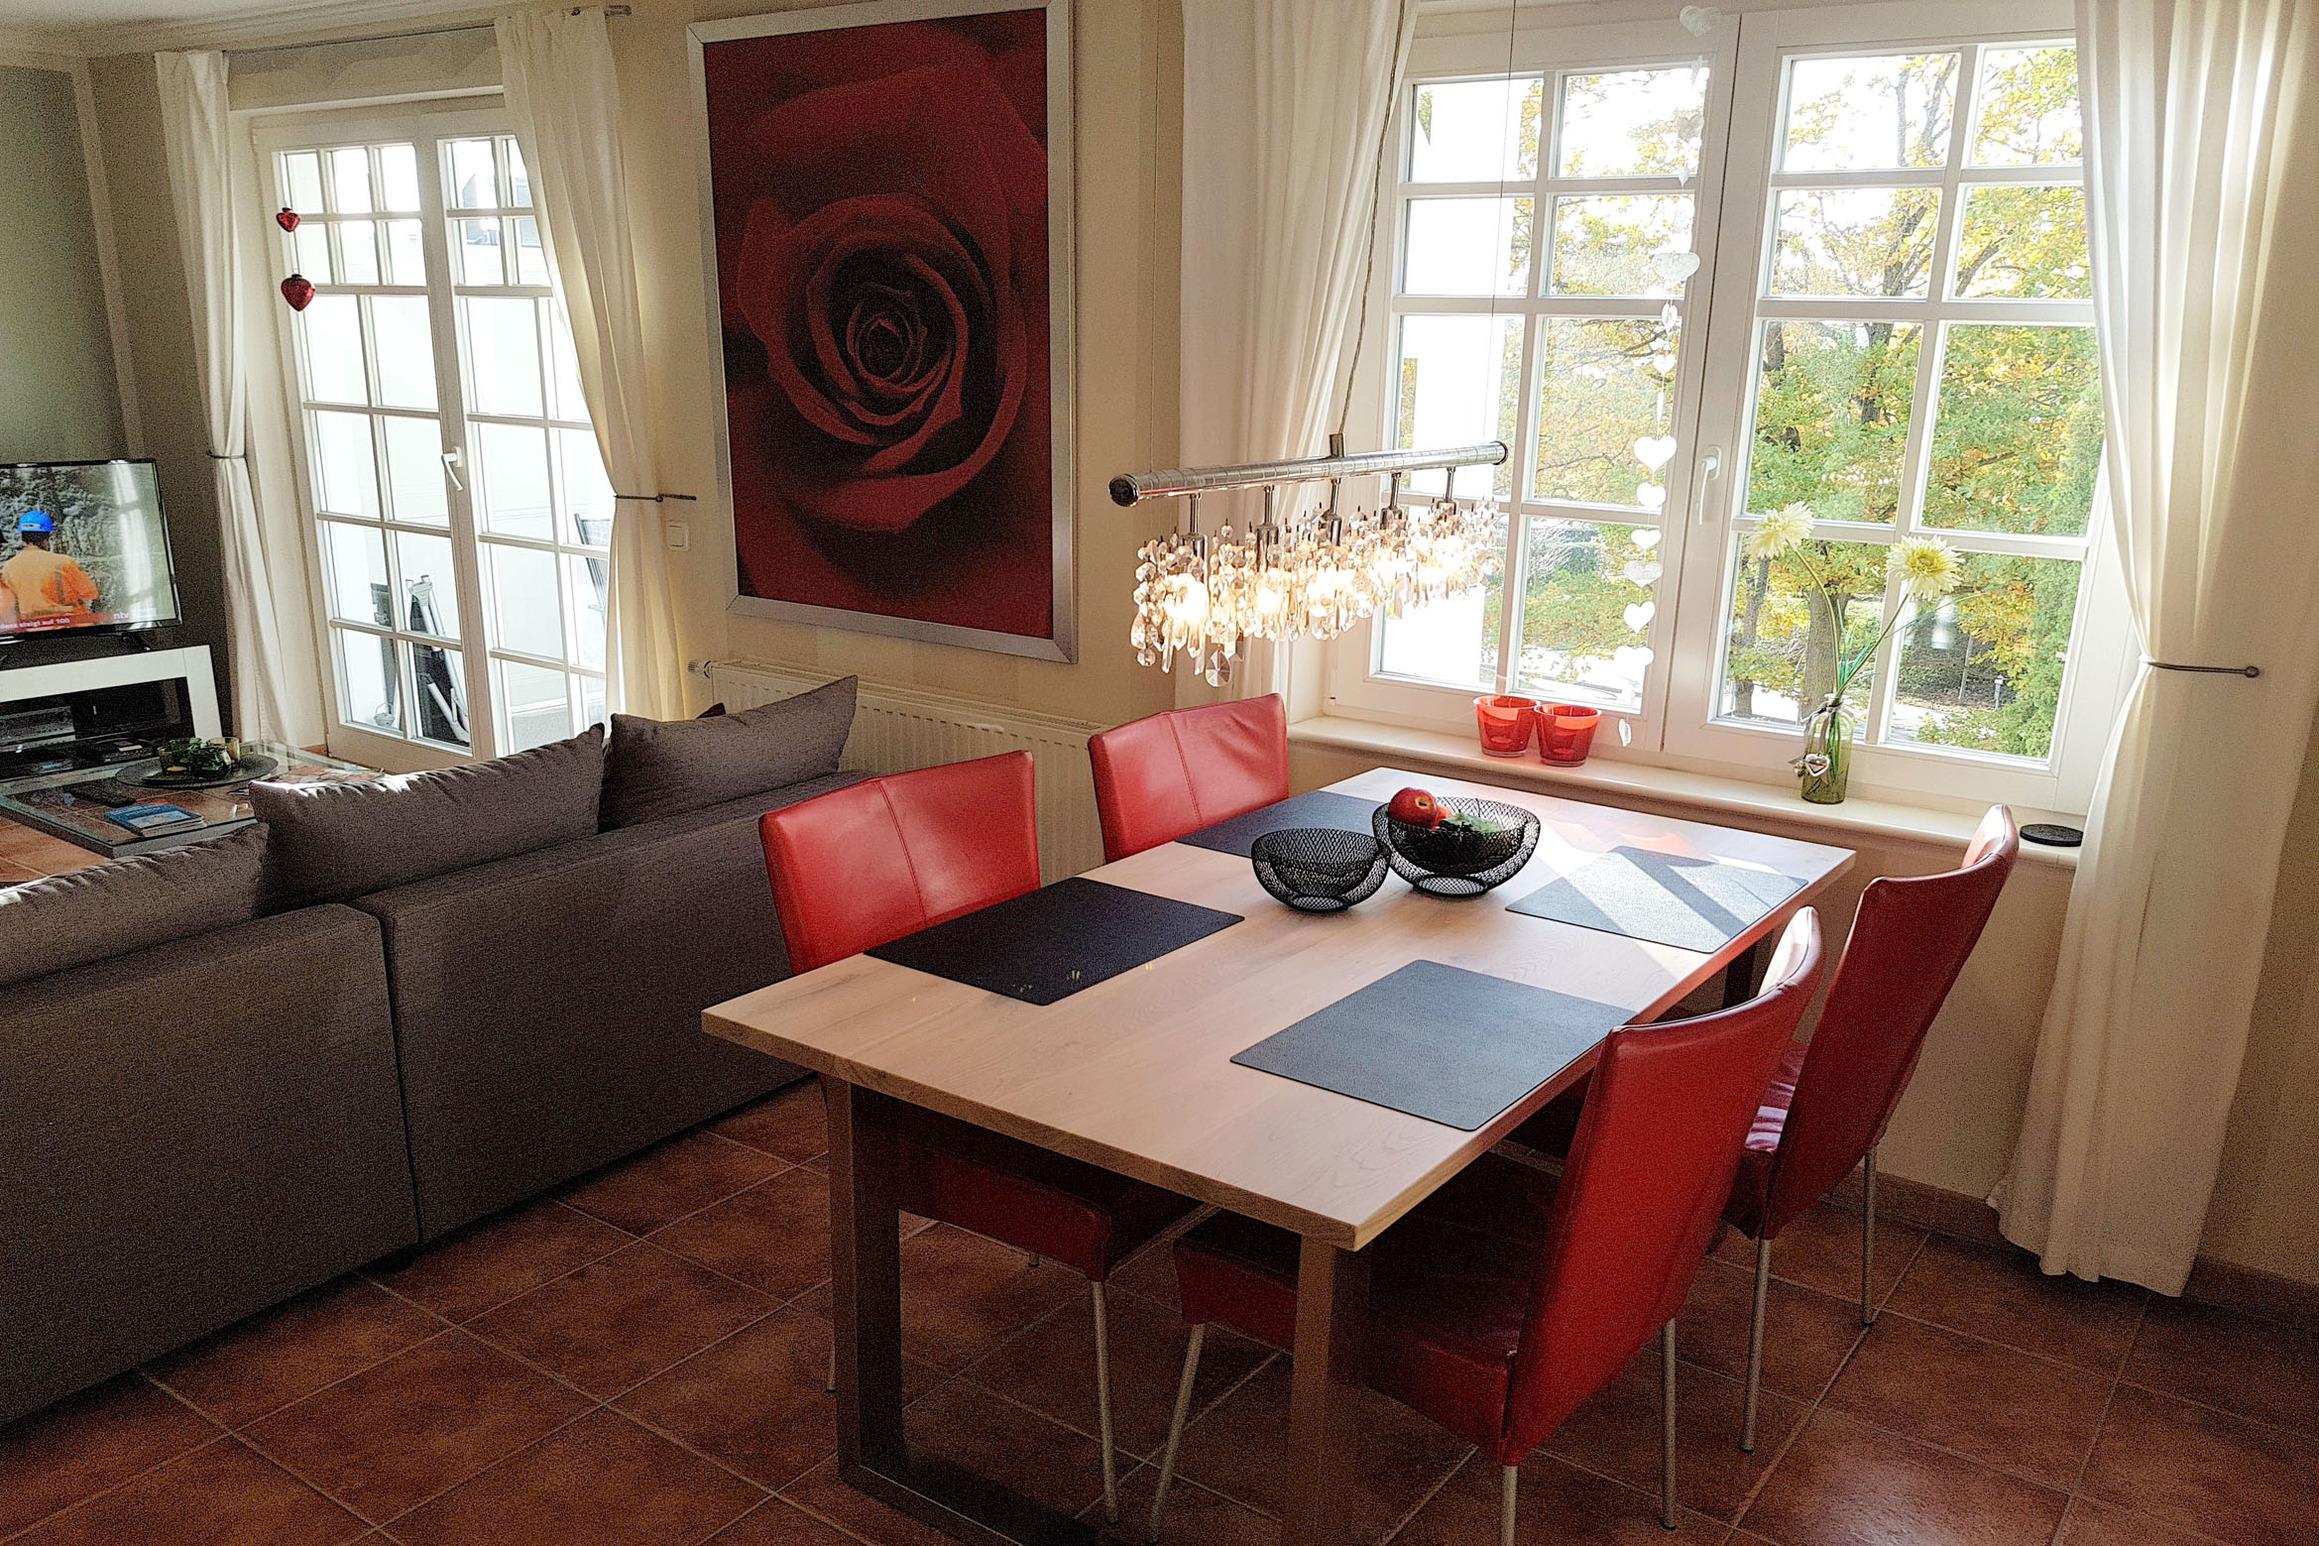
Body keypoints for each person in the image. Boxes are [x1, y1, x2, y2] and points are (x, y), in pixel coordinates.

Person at [1, 510, 100, 624]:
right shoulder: (64, 562)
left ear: (23, 537)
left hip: (34, 628)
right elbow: (91, 593)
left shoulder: (8, 567)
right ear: (46, 537)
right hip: (70, 625)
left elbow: (9, 606)